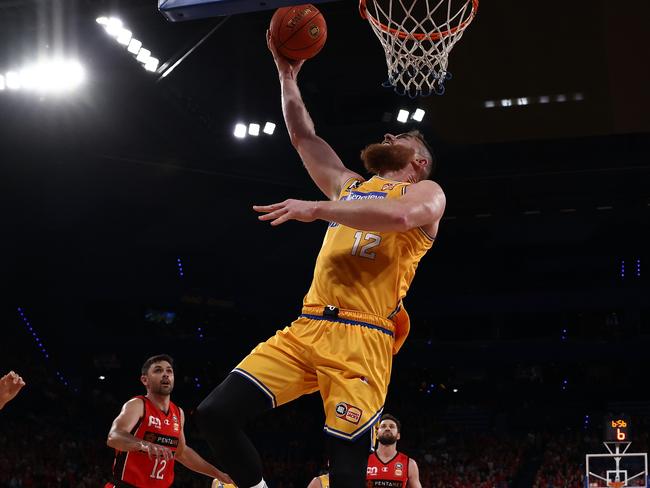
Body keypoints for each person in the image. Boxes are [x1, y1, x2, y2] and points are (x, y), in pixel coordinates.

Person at [195, 31, 446, 488]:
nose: (389, 134)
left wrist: (316, 209)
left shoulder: (425, 193)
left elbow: (401, 216)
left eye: (404, 138)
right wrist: (286, 74)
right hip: (307, 326)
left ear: (420, 162)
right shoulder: (348, 186)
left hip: (363, 337)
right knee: (215, 414)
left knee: (347, 473)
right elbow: (303, 136)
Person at [105, 354, 232, 488]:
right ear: (145, 380)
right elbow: (113, 437)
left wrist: (219, 474)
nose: (165, 374)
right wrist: (143, 444)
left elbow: (181, 453)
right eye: (158, 370)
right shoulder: (137, 405)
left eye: (169, 371)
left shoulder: (178, 413)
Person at [366, 414, 422, 488]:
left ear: (398, 436)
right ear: (376, 434)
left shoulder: (410, 464)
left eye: (392, 426)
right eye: (383, 426)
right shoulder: (365, 461)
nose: (387, 428)